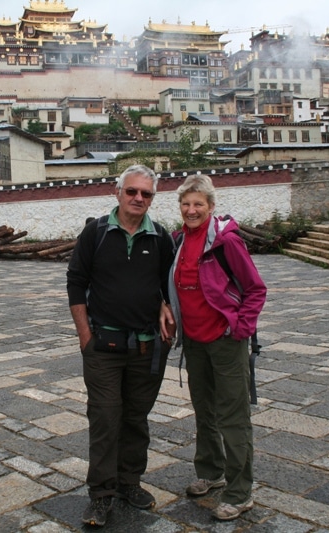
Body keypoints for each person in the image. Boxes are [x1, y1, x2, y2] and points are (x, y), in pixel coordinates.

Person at [67, 164, 176, 527]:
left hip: (147, 348)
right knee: (104, 418)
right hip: (103, 347)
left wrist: (165, 305)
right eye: (132, 191)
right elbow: (75, 283)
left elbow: (169, 285)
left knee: (135, 419)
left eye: (146, 194)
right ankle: (101, 494)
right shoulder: (95, 233)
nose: (138, 198)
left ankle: (129, 482)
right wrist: (85, 336)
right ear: (117, 192)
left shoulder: (160, 238)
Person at [160, 174, 266, 521]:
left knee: (233, 417)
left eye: (198, 204)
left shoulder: (226, 242)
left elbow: (255, 289)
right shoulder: (178, 240)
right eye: (186, 204)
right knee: (204, 410)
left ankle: (240, 491)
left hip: (224, 340)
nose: (191, 210)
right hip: (194, 340)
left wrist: (240, 327)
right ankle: (211, 471)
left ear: (210, 206)